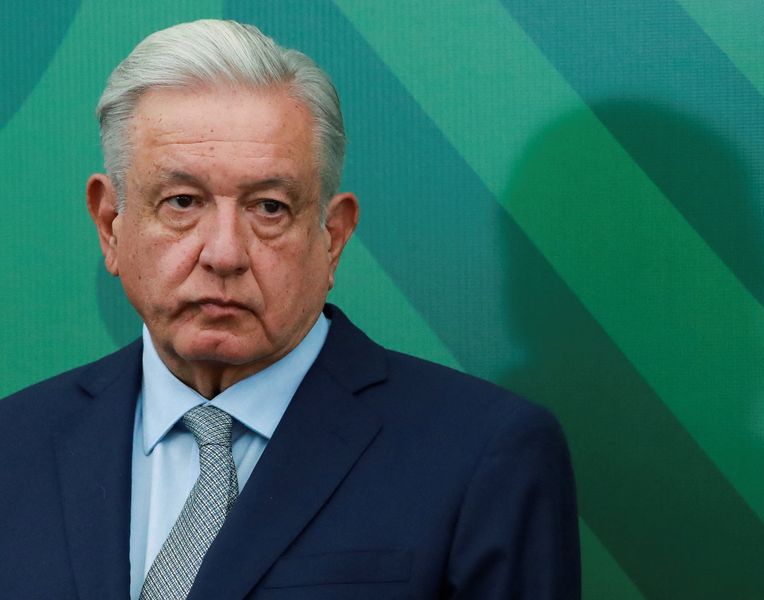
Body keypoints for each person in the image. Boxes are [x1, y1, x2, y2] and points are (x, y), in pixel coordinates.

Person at [0, 19, 579, 599]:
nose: (224, 253)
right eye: (182, 202)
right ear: (110, 224)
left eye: (269, 208)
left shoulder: (483, 454)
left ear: (333, 237)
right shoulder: (15, 445)